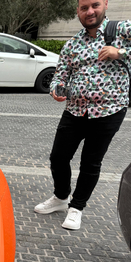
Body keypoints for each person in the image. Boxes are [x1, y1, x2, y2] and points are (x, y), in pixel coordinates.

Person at [34, 0, 130, 230]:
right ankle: (60, 197)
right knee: (58, 157)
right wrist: (57, 88)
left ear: (105, 4)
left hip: (109, 110)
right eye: (84, 7)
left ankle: (76, 207)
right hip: (75, 110)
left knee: (91, 162)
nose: (90, 12)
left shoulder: (122, 30)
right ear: (77, 11)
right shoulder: (72, 44)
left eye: (94, 5)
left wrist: (121, 53)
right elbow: (61, 75)